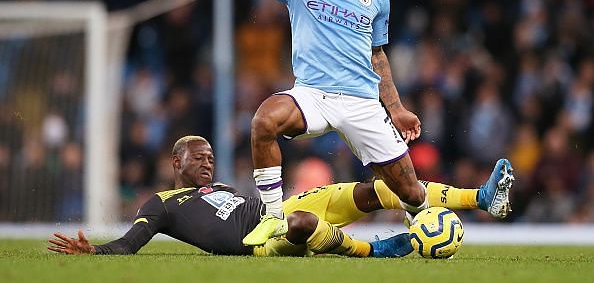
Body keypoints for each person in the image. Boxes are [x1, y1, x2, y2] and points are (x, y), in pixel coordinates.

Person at [173, 0, 514, 246]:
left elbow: (377, 55)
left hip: (362, 102)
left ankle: (427, 222)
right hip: (313, 94)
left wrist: (396, 109)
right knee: (264, 119)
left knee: (409, 191)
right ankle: (274, 217)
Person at [48, 136, 514, 257]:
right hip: (260, 240)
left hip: (282, 207)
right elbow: (132, 244)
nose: (207, 162)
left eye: (210, 155)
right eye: (198, 156)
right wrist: (97, 251)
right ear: (176, 163)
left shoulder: (223, 188)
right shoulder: (162, 204)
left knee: (377, 189)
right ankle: (375, 251)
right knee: (302, 229)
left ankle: (482, 197)